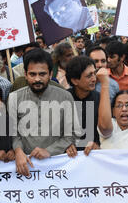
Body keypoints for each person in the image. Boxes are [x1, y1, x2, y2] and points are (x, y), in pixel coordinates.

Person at [8, 48, 80, 176]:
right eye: (32, 74)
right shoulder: (14, 97)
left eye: (42, 74)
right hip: (25, 165)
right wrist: (18, 151)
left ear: (50, 74)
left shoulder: (65, 97)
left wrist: (49, 151)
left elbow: (72, 134)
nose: (37, 79)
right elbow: (13, 134)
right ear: (25, 74)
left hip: (56, 166)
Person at [64, 56, 100, 157]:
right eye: (89, 76)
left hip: (93, 156)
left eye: (94, 73)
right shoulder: (62, 100)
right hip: (69, 158)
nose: (94, 79)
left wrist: (97, 144)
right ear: (75, 81)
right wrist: (64, 145)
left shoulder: (100, 98)